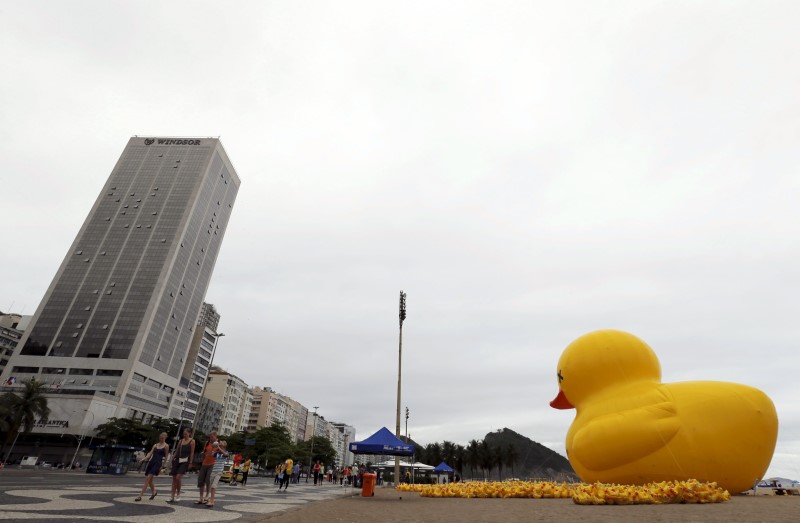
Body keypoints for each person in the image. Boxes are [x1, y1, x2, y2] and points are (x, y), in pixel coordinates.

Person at [136, 432, 170, 501]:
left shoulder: (166, 446)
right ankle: (154, 492)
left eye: (162, 438)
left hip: (158, 463)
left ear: (165, 438)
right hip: (152, 462)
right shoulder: (155, 445)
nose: (161, 439)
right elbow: (150, 454)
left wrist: (163, 466)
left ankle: (140, 495)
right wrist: (144, 459)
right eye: (160, 438)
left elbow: (166, 457)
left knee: (148, 478)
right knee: (150, 480)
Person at [167, 427, 195, 503]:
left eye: (186, 434)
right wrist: (171, 460)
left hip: (185, 461)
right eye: (184, 434)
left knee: (178, 477)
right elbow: (176, 451)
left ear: (189, 433)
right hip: (177, 460)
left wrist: (191, 462)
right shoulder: (181, 441)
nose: (184, 435)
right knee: (174, 478)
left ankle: (178, 494)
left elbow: (192, 453)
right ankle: (172, 496)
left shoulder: (192, 441)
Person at [195, 431, 219, 505]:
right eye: (210, 437)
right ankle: (201, 497)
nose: (210, 438)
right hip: (204, 463)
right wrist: (203, 454)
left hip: (212, 464)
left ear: (215, 436)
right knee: (200, 480)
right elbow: (205, 452)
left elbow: (221, 454)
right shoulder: (207, 443)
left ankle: (207, 495)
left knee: (208, 479)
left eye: (212, 437)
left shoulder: (218, 444)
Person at [206, 440, 228, 508]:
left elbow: (225, 454)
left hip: (219, 471)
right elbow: (211, 454)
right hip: (214, 471)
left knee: (213, 486)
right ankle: (210, 500)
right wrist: (212, 448)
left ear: (225, 445)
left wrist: (218, 447)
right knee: (211, 486)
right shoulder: (217, 452)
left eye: (222, 442)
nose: (220, 442)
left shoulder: (226, 452)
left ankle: (212, 501)